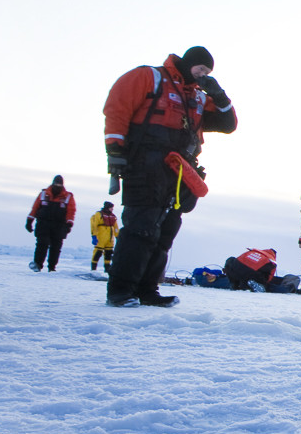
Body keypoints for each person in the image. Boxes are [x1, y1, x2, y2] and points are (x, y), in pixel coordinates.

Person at [102, 46, 237, 307]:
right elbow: (117, 108)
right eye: (200, 69)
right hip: (146, 163)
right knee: (140, 227)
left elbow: (228, 124)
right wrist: (115, 153)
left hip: (180, 171)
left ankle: (147, 291)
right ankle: (120, 291)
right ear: (188, 62)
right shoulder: (149, 77)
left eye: (207, 72)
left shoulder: (198, 98)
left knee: (165, 232)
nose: (202, 74)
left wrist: (218, 94)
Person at [26, 175, 76, 272]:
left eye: (59, 185)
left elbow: (71, 211)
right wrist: (29, 221)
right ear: (52, 183)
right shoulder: (43, 194)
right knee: (42, 243)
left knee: (56, 246)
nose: (57, 186)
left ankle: (52, 267)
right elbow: (35, 208)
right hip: (43, 223)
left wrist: (69, 224)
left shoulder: (68, 196)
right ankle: (37, 265)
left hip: (59, 225)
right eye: (56, 184)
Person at [90, 200, 119, 272]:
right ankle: (93, 269)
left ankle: (107, 269)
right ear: (107, 207)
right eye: (111, 208)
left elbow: (116, 227)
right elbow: (94, 225)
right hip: (101, 237)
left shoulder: (113, 216)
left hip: (110, 239)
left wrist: (117, 236)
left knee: (109, 253)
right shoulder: (98, 214)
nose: (112, 209)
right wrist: (94, 236)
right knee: (98, 252)